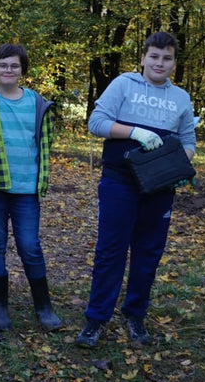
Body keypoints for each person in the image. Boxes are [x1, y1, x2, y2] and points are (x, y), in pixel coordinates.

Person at [77, 31, 196, 348]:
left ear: (173, 63)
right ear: (143, 58)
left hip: (159, 187)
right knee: (110, 251)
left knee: (148, 253)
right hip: (119, 181)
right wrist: (135, 132)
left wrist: (179, 167)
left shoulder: (181, 98)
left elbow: (188, 141)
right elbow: (96, 122)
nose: (160, 62)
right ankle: (96, 319)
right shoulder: (123, 85)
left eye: (167, 58)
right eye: (154, 56)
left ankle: (135, 314)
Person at [0, 44, 62, 332]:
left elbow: (46, 142)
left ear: (22, 71)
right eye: (3, 65)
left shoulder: (38, 103)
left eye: (15, 66)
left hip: (26, 189)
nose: (9, 70)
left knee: (30, 247)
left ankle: (43, 306)